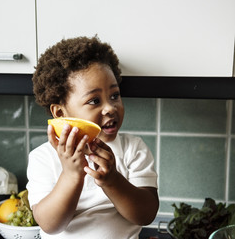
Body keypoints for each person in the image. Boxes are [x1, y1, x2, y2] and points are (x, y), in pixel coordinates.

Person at [26, 36, 159, 239]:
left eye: (114, 95)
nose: (110, 108)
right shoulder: (42, 158)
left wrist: (113, 180)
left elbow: (146, 214)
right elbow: (49, 225)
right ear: (60, 113)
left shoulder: (133, 148)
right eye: (94, 101)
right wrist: (71, 175)